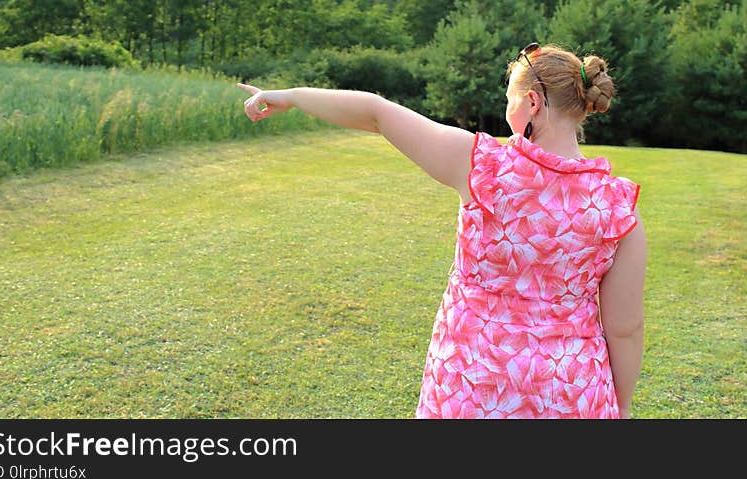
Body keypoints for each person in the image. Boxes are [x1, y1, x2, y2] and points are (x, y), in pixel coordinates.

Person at [236, 42, 647, 419]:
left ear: (533, 102)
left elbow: (376, 112)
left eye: (510, 102)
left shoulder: (482, 166)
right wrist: (622, 409)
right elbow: (625, 328)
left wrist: (288, 97)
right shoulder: (617, 206)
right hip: (574, 394)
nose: (508, 112)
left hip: (470, 384)